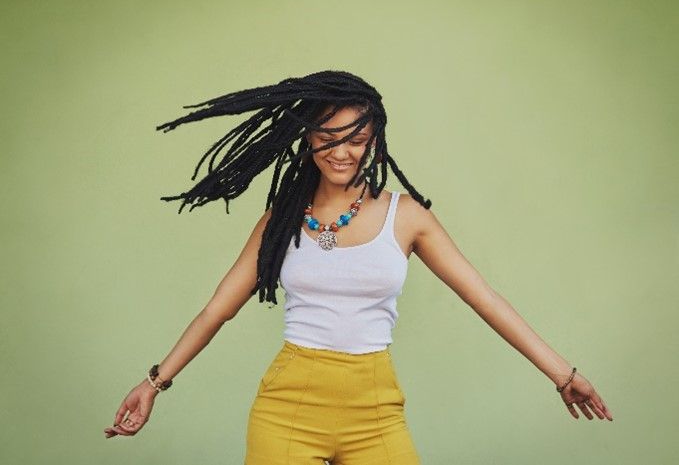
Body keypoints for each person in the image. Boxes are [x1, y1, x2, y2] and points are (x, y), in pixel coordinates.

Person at [104, 70, 613, 463]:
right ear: (307, 138)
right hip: (287, 408)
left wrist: (561, 373)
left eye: (356, 138)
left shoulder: (407, 217)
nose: (341, 151)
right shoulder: (281, 220)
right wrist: (153, 385)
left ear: (374, 140)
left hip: (376, 410)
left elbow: (485, 299)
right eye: (328, 136)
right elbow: (216, 311)